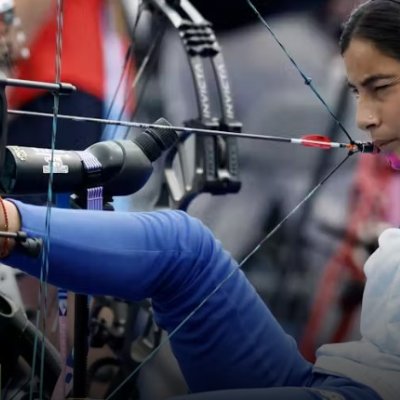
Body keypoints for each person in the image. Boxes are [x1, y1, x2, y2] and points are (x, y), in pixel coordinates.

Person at [1, 0, 400, 399]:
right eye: (356, 91)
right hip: (336, 379)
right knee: (183, 247)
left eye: (380, 88)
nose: (364, 117)